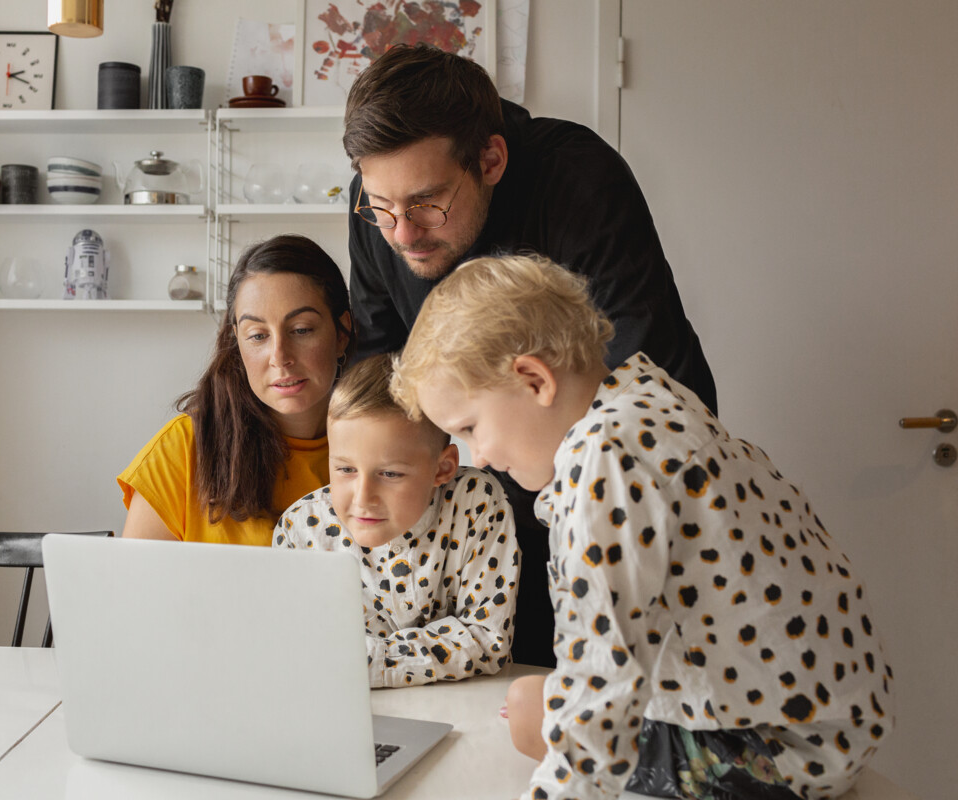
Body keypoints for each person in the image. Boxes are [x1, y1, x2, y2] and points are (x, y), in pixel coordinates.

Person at [390, 253, 893, 800]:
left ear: (534, 380)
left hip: (782, 748)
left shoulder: (603, 459)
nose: (479, 456)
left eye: (470, 427)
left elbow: (601, 679)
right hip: (830, 717)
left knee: (535, 717)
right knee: (537, 700)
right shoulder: (647, 397)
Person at [343, 43, 716, 666]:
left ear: (490, 159)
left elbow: (645, 380)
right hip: (475, 523)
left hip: (622, 496)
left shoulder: (577, 178)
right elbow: (381, 378)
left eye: (428, 204)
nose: (401, 233)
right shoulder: (380, 207)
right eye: (381, 206)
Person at [274, 353, 519, 688]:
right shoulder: (299, 532)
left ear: (443, 468)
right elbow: (296, 654)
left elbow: (487, 639)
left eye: (389, 473)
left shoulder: (475, 502)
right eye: (345, 469)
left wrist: (366, 663)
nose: (362, 498)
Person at [117, 234, 353, 544]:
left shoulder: (383, 445)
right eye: (257, 335)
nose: (280, 357)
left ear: (341, 334)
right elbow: (132, 587)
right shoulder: (183, 450)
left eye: (301, 330)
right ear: (236, 341)